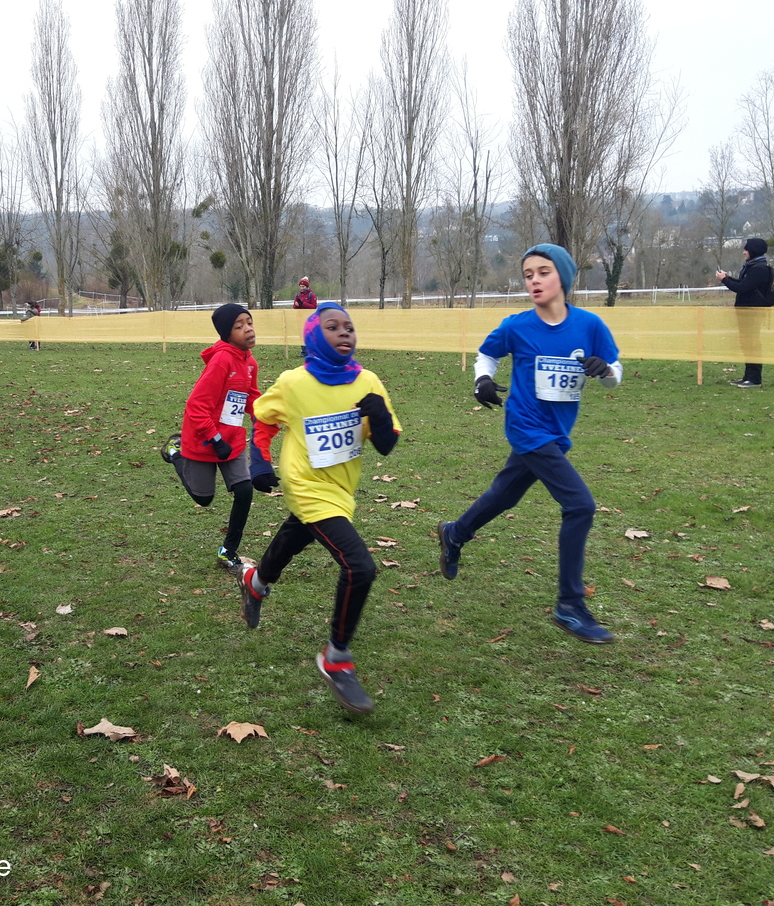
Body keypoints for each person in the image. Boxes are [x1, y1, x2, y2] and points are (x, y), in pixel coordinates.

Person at [437, 243, 623, 645]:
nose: (534, 280)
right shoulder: (517, 326)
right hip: (525, 426)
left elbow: (615, 375)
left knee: (505, 495)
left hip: (557, 432)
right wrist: (482, 380)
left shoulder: (590, 326)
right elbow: (486, 354)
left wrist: (605, 370)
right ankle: (570, 605)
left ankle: (455, 533)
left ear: (563, 277)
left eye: (543, 272)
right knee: (580, 505)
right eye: (528, 275)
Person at [239, 303, 402, 716]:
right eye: (333, 327)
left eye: (349, 326)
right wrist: (259, 461)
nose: (345, 332)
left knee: (298, 534)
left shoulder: (368, 381)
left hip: (340, 490)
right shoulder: (293, 383)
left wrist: (380, 418)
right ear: (314, 336)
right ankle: (336, 657)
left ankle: (256, 581)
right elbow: (263, 418)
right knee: (360, 567)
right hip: (304, 485)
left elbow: (386, 444)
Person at [159, 304, 262, 572]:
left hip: (232, 438)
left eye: (249, 322)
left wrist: (270, 412)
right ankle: (176, 453)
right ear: (227, 334)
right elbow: (196, 406)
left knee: (244, 489)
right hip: (203, 439)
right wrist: (215, 440)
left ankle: (228, 552)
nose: (248, 329)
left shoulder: (250, 362)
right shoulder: (221, 361)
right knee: (203, 499)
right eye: (239, 326)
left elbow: (250, 396)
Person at [717, 238, 774, 388]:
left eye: (746, 249)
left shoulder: (758, 269)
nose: (744, 252)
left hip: (752, 312)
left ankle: (754, 378)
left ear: (753, 251)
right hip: (746, 311)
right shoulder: (752, 267)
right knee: (747, 343)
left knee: (752, 343)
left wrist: (724, 281)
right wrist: (728, 278)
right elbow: (743, 284)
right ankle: (748, 376)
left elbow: (742, 288)